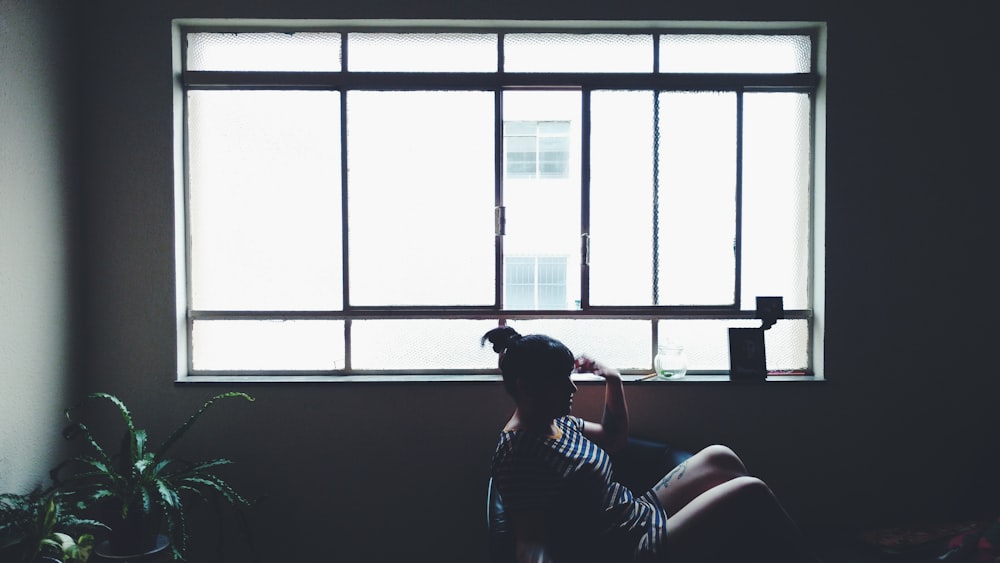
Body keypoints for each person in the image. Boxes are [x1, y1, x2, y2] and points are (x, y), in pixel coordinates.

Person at [483, 325, 820, 563]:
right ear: (526, 387)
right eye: (560, 381)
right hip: (626, 549)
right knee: (751, 491)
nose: (572, 390)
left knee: (721, 457)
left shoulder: (556, 423)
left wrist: (612, 380)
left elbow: (613, 440)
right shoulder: (518, 453)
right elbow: (529, 542)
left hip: (633, 515)